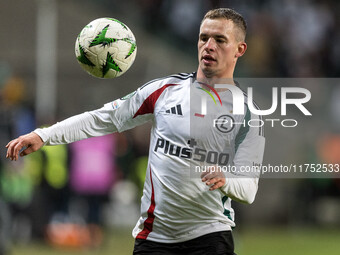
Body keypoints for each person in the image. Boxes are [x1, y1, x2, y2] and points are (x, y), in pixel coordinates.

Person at [6, 8, 265, 255]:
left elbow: (249, 190)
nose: (209, 45)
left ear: (239, 49)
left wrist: (226, 180)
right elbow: (102, 118)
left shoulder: (248, 113)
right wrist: (44, 135)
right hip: (154, 238)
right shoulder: (164, 91)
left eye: (220, 39)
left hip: (211, 236)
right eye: (203, 37)